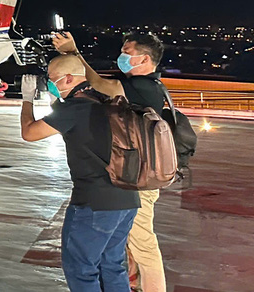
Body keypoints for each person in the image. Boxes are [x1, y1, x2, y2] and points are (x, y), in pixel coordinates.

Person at [52, 31, 168, 292]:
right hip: (129, 179)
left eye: (128, 52)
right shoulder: (134, 85)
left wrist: (74, 52)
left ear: (145, 59)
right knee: (116, 256)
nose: (122, 56)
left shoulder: (146, 88)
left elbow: (97, 83)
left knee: (142, 245)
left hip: (139, 181)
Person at [19, 54, 139, 292]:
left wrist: (27, 100)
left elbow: (29, 133)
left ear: (69, 79)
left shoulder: (74, 109)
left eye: (52, 79)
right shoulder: (105, 102)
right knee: (112, 265)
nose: (49, 83)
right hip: (127, 198)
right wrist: (55, 99)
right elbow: (71, 122)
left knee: (81, 270)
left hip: (94, 203)